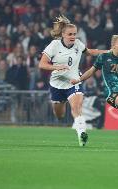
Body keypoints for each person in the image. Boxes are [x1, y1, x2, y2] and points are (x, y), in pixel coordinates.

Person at [39, 15, 107, 146]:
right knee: (59, 115)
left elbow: (90, 52)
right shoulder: (54, 45)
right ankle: (76, 126)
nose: (72, 37)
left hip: (73, 81)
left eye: (74, 34)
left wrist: (108, 51)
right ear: (63, 34)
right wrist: (57, 67)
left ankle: (82, 134)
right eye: (70, 34)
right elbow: (42, 64)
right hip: (57, 84)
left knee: (77, 107)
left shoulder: (78, 44)